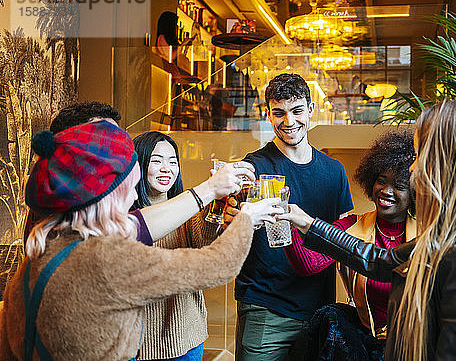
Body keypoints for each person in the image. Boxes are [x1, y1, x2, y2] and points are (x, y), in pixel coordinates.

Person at [0, 119, 282, 360]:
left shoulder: (42, 252)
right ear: (103, 198)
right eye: (126, 188)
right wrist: (247, 218)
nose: (134, 196)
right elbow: (219, 265)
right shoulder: (107, 259)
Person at [279, 98, 456, 361]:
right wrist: (306, 223)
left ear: (446, 164)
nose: (413, 168)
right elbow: (383, 261)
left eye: (420, 155)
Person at [225, 73, 354, 360]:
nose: (289, 121)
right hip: (264, 307)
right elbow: (231, 223)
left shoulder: (334, 171)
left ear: (310, 111)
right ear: (268, 115)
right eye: (279, 113)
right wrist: (231, 215)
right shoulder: (253, 166)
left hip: (318, 308)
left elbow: (342, 239)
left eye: (296, 111)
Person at [22, 101, 250, 248]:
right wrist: (210, 189)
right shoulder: (60, 207)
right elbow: (129, 233)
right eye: (104, 142)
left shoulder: (81, 200)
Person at [284, 130, 416, 361]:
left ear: (415, 191)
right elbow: (308, 264)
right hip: (365, 346)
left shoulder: (428, 233)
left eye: (399, 185)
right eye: (381, 181)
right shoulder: (351, 225)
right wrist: (287, 221)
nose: (385, 191)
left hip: (412, 348)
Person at [132, 132, 210, 360]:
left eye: (173, 161)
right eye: (157, 161)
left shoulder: (187, 209)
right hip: (136, 343)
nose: (167, 168)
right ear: (139, 163)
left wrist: (216, 205)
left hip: (186, 338)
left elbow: (206, 239)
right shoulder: (123, 218)